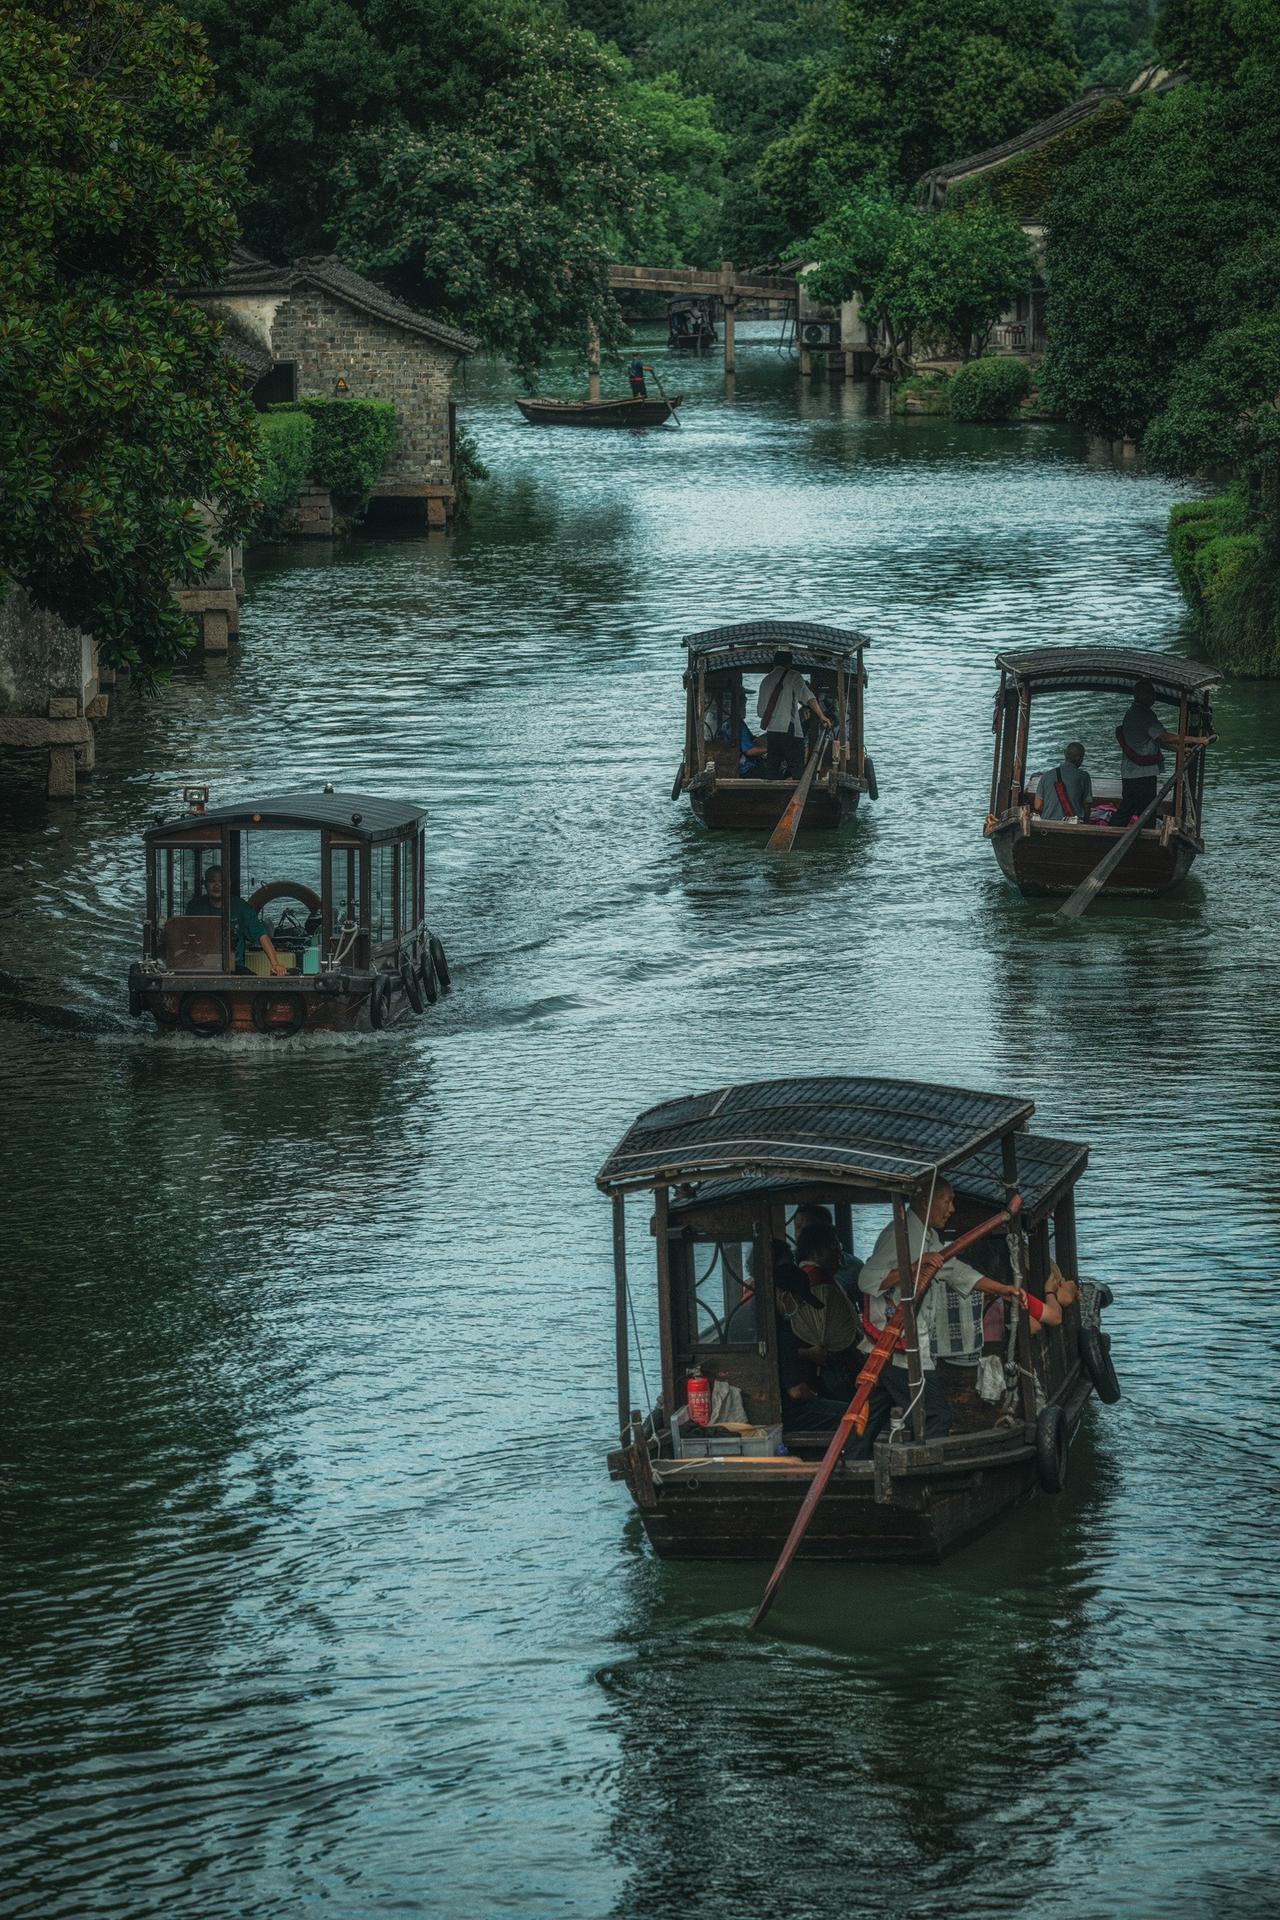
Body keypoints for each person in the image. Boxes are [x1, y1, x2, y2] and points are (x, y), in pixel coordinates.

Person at [849, 1178, 1032, 1452]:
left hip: (897, 1349)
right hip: (896, 1348)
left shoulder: (927, 1237)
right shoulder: (902, 1236)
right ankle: (924, 1476)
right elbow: (867, 1279)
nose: (952, 1209)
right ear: (925, 1202)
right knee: (936, 1415)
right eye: (947, 1201)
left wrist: (1001, 1289)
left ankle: (853, 1464)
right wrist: (911, 1268)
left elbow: (952, 1270)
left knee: (874, 1413)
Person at [773, 1238, 857, 1434]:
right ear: (783, 1295)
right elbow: (797, 1392)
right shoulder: (782, 1331)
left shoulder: (781, 1324)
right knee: (854, 1416)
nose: (800, 1308)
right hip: (791, 1413)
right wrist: (816, 1396)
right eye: (800, 1302)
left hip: (794, 1404)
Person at [1114, 678, 1200, 827]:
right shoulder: (1142, 715)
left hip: (1133, 772)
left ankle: (1114, 831)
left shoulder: (1136, 713)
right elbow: (1164, 736)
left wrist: (1179, 749)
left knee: (1128, 807)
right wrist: (1197, 739)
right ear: (1139, 695)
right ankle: (1145, 838)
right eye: (1149, 693)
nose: (1153, 697)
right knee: (1146, 810)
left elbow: (1156, 741)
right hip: (1141, 773)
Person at [185, 865, 286, 975]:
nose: (217, 885)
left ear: (228, 883)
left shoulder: (241, 907)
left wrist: (275, 963)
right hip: (200, 965)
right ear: (204, 884)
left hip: (234, 967)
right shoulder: (194, 907)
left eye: (221, 881)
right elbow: (183, 936)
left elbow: (261, 935)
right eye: (212, 881)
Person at [755, 650, 834, 780]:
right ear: (790, 664)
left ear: (774, 663)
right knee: (797, 768)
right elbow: (808, 697)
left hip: (772, 731)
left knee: (772, 768)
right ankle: (797, 796)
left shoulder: (766, 680)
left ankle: (770, 794)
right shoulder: (793, 676)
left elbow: (760, 712)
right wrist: (821, 716)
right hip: (789, 729)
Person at [1032, 742, 1093, 822]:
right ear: (1081, 758)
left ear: (1065, 754)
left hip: (1047, 823)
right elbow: (1087, 804)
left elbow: (1038, 806)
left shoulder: (1046, 776)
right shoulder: (1084, 776)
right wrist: (1087, 822)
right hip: (1073, 824)